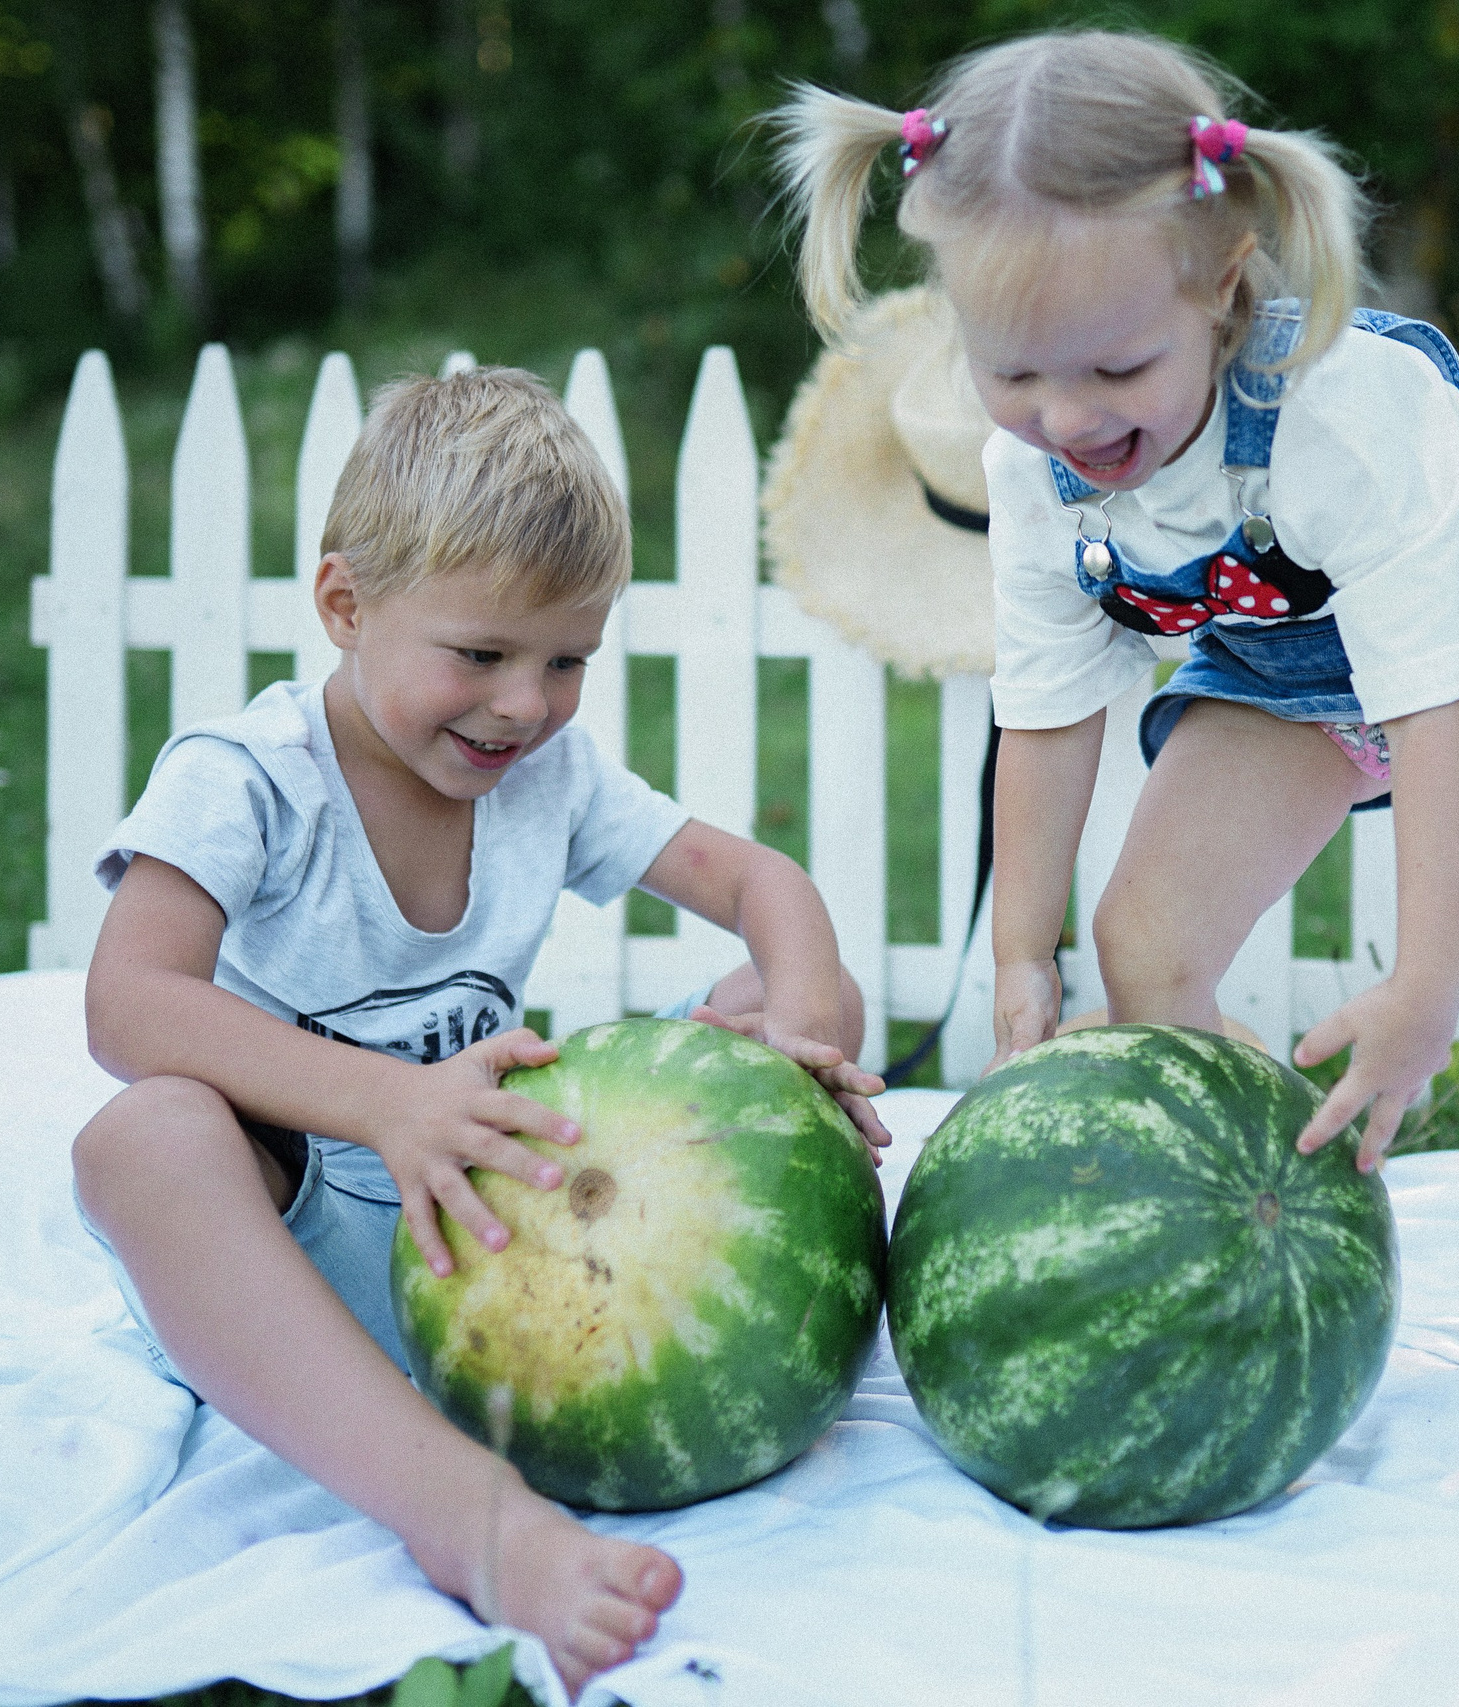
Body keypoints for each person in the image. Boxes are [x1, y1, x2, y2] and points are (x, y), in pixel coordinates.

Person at [769, 30, 1459, 1438]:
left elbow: (1424, 695)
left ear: (1226, 281)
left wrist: (1426, 994)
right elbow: (1046, 706)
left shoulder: (1341, 412)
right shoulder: (1036, 467)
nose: (1065, 418)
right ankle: (1250, 1241)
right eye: (1015, 375)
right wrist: (1019, 953)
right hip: (1277, 660)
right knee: (1148, 951)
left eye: (1115, 369)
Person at [69, 365, 890, 1688]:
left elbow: (759, 885)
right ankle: (470, 1519)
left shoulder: (544, 778)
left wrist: (794, 1035)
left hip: (508, 1231)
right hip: (302, 1240)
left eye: (568, 660)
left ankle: (715, 1313)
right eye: (482, 655)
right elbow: (128, 1004)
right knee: (144, 1137)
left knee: (800, 994)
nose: (526, 704)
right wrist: (389, 1103)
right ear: (346, 604)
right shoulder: (250, 780)